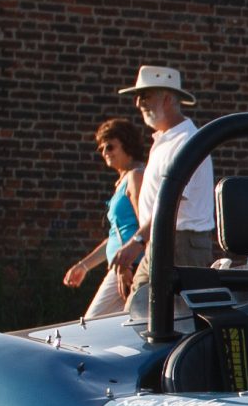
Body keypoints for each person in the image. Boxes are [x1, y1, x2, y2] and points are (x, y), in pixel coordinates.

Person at [108, 66, 214, 297]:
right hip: (163, 241)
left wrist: (137, 241)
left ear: (167, 99)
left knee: (169, 313)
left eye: (145, 96)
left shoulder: (186, 140)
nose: (138, 103)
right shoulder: (166, 140)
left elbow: (171, 202)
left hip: (181, 244)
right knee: (140, 308)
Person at [62, 116, 150, 319]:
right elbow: (115, 237)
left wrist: (126, 264)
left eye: (110, 147)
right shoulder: (123, 180)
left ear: (127, 145)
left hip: (132, 266)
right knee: (122, 325)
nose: (104, 153)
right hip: (122, 266)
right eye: (101, 148)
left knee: (92, 323)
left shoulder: (136, 176)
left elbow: (144, 224)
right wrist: (84, 266)